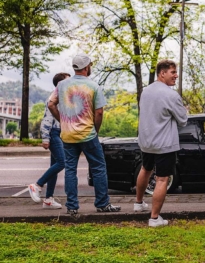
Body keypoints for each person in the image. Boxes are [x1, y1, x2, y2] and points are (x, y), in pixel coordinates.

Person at [48, 54, 121, 216]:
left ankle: (72, 206)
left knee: (70, 170)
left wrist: (63, 121)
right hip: (88, 134)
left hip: (68, 135)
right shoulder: (93, 86)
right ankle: (102, 204)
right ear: (87, 67)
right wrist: (96, 129)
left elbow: (51, 104)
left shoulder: (62, 85)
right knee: (98, 168)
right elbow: (99, 112)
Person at [134, 59, 188, 227]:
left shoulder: (146, 91)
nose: (176, 75)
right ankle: (154, 218)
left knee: (145, 169)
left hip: (146, 140)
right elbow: (183, 120)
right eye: (173, 72)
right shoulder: (171, 95)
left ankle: (138, 203)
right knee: (162, 179)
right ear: (162, 73)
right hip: (164, 143)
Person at [28, 73, 71, 209]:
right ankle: (37, 185)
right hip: (53, 133)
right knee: (62, 162)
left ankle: (48, 199)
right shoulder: (54, 98)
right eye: (68, 80)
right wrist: (45, 138)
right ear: (60, 84)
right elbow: (46, 120)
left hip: (59, 134)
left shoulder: (63, 97)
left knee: (55, 165)